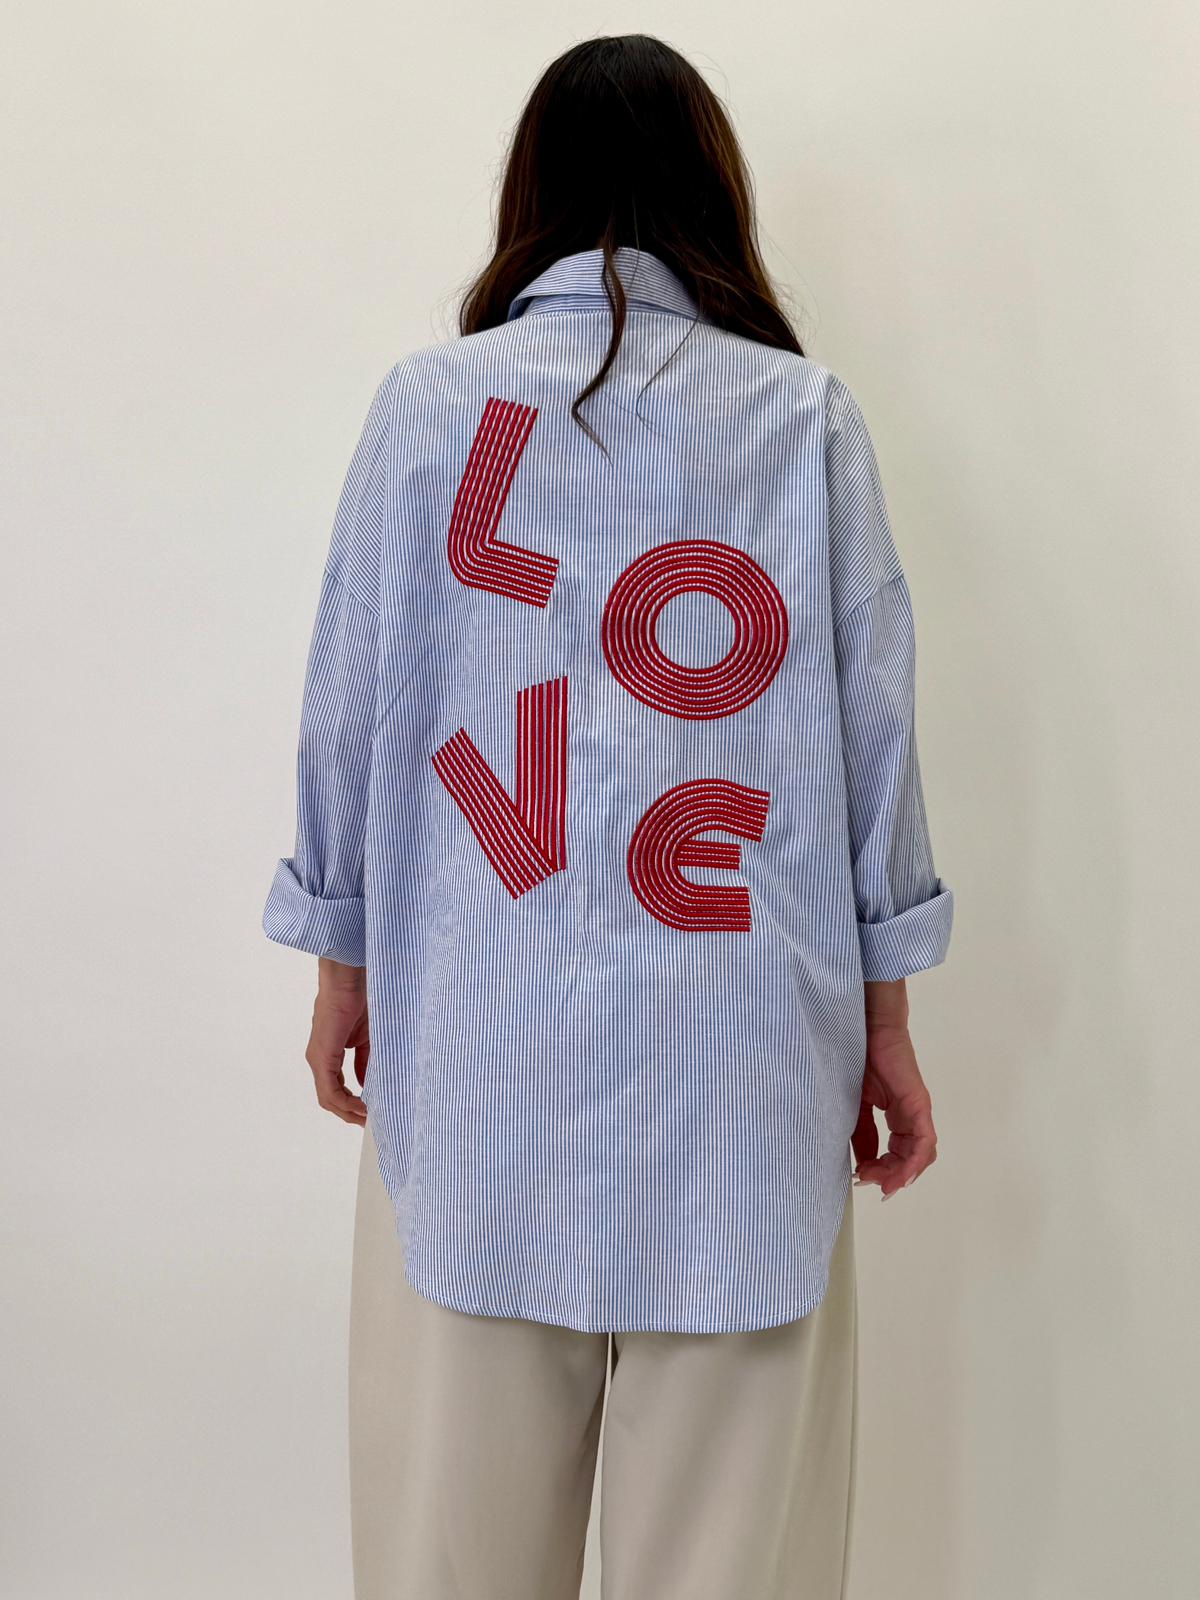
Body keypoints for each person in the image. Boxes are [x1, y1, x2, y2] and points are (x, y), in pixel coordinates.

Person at [262, 31, 953, 1600]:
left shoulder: (428, 409)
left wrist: (340, 960)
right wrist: (886, 1020)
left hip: (480, 1061)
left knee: (449, 1566)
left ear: (533, 196)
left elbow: (354, 700)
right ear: (716, 195)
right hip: (742, 1075)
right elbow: (873, 738)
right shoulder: (804, 418)